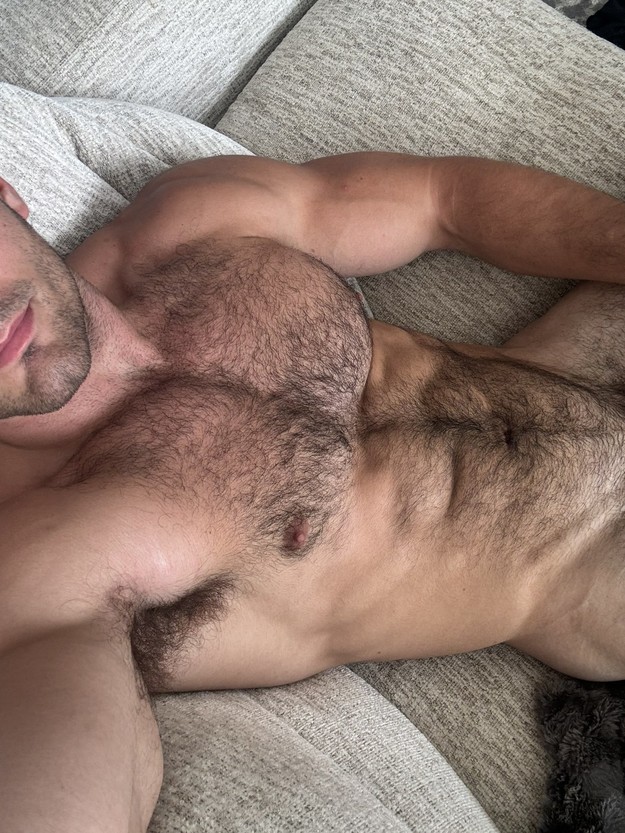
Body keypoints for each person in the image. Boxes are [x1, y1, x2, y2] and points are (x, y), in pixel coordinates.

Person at [0, 151, 624, 831]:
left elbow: (444, 200)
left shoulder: (194, 222)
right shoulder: (44, 552)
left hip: (586, 356)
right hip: (594, 564)